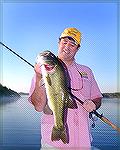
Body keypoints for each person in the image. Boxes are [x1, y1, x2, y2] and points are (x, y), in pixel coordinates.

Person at [28, 27, 103, 150]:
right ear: (59, 43)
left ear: (77, 48)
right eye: (64, 42)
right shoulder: (41, 72)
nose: (67, 47)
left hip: (83, 143)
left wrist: (94, 104)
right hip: (53, 145)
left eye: (72, 44)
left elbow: (98, 97)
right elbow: (38, 106)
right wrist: (38, 76)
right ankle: (59, 128)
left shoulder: (87, 71)